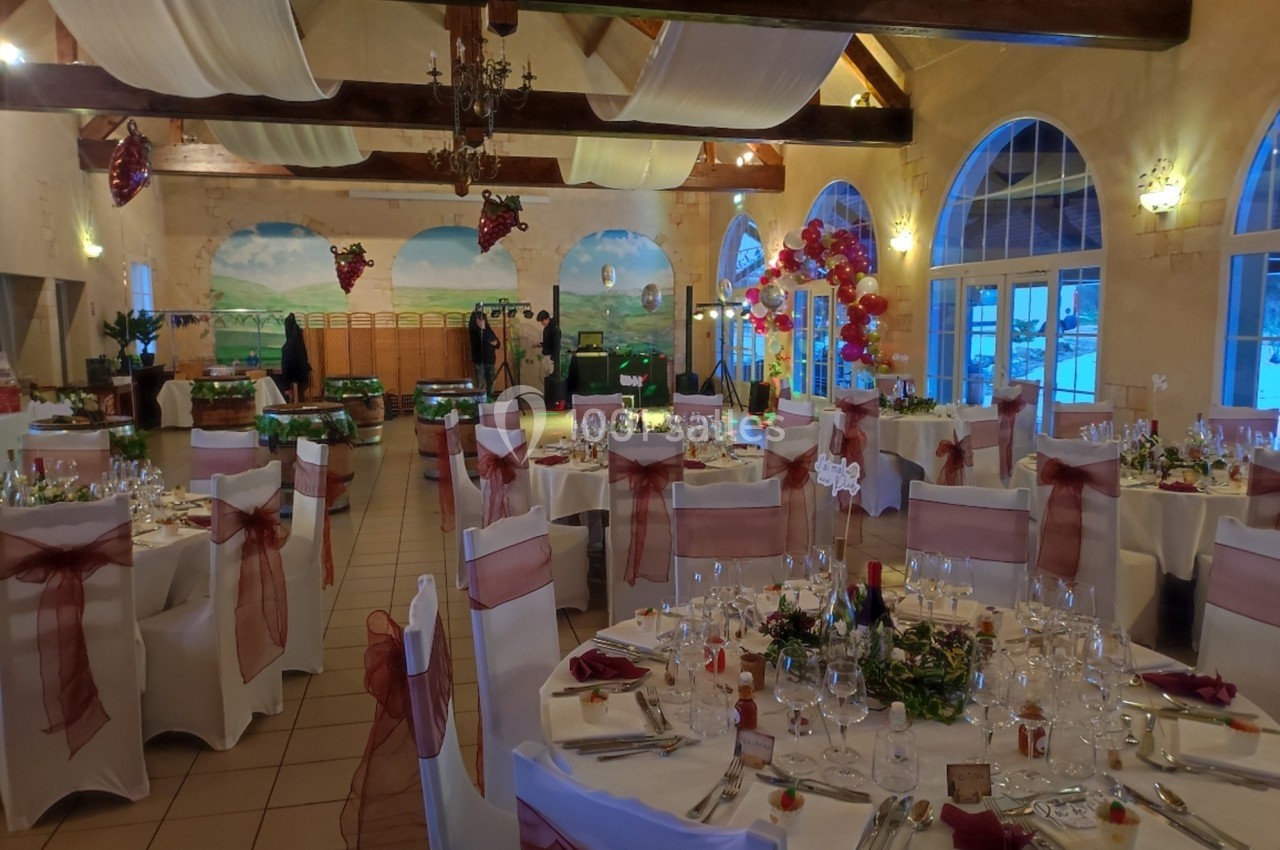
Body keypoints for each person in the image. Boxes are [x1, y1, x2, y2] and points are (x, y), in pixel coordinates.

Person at [280, 313, 311, 402]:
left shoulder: (287, 347)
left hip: (292, 381)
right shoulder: (300, 343)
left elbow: (285, 367)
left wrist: (286, 386)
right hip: (303, 378)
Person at [469, 310, 500, 395]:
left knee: (491, 381)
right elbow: (480, 341)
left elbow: (498, 344)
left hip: (490, 359)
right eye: (480, 319)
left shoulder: (488, 330)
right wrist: (482, 329)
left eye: (484, 319)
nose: (482, 321)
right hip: (480, 360)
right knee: (481, 382)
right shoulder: (474, 331)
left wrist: (496, 343)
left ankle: (490, 398)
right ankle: (481, 400)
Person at [535, 309, 560, 379]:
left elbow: (555, 344)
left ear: (547, 319)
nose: (542, 323)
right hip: (547, 355)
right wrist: (541, 344)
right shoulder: (548, 328)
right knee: (545, 376)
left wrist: (554, 357)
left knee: (549, 376)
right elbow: (548, 343)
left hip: (550, 356)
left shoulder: (553, 329)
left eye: (542, 321)